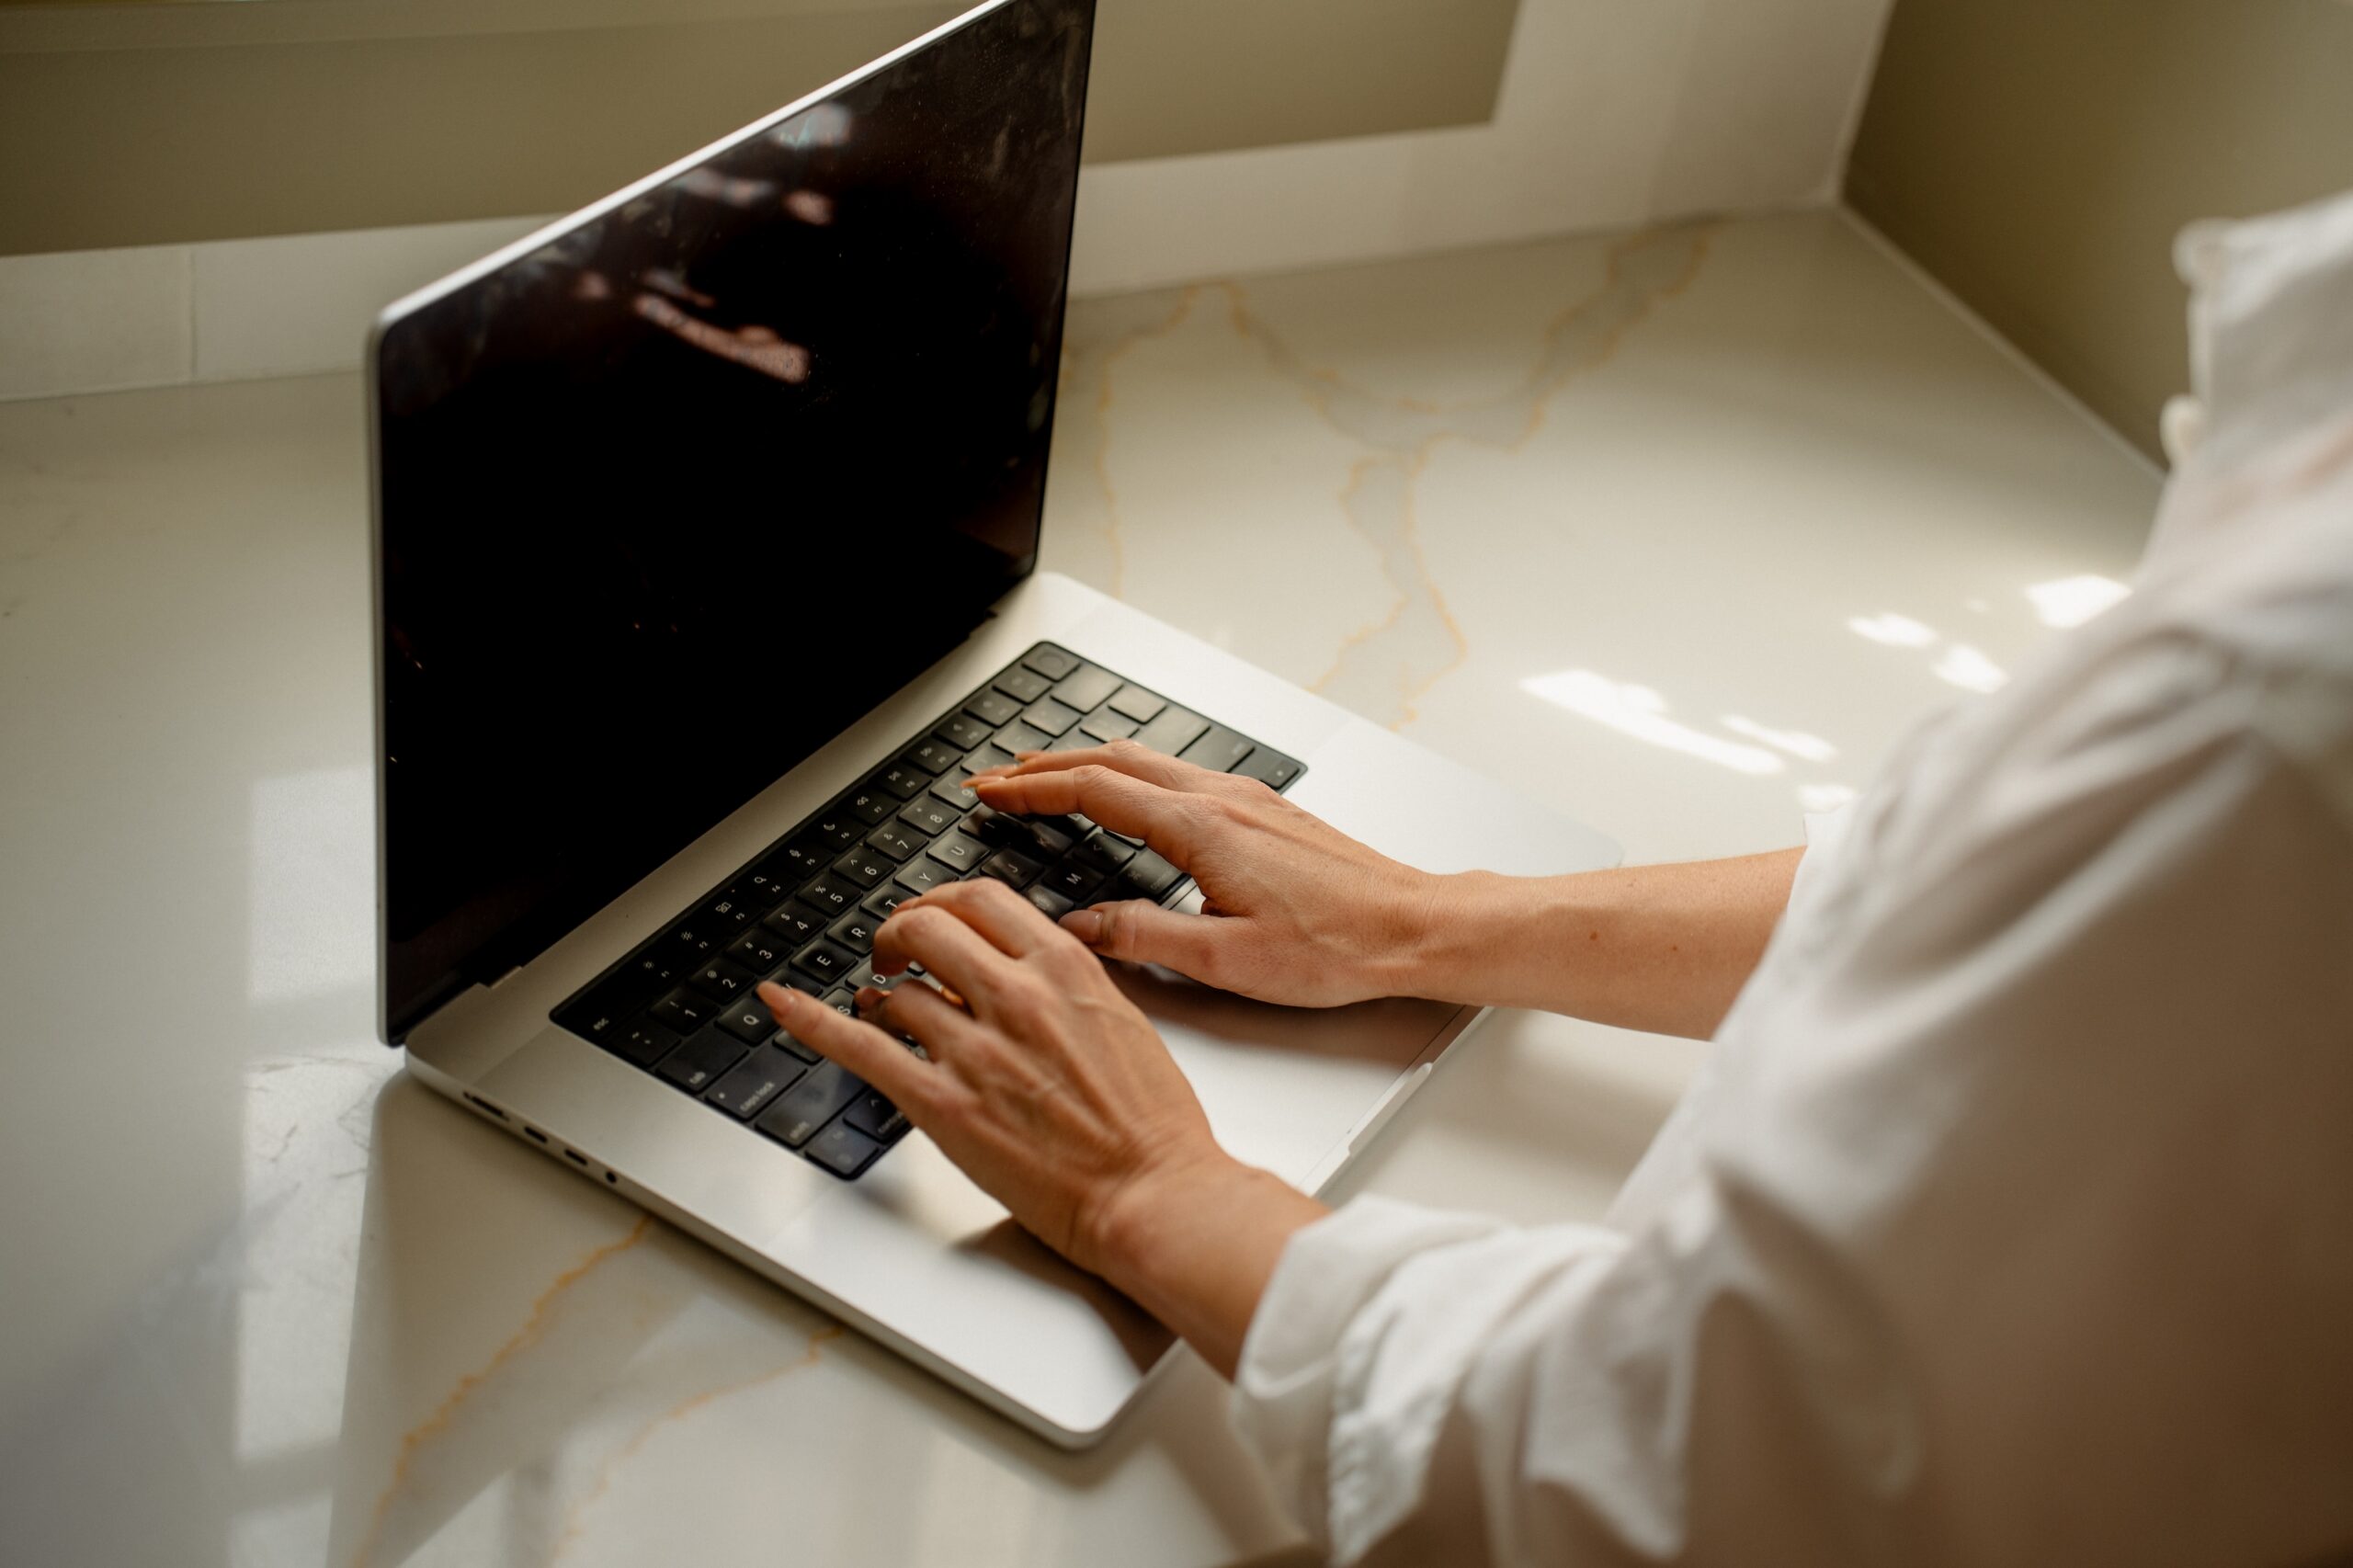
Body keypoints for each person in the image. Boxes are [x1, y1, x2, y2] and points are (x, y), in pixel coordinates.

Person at [757, 188, 2353, 1566]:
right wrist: (1434, 923)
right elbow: (2012, 889)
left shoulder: (2279, 715)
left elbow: (1682, 1488)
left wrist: (1158, 1192)